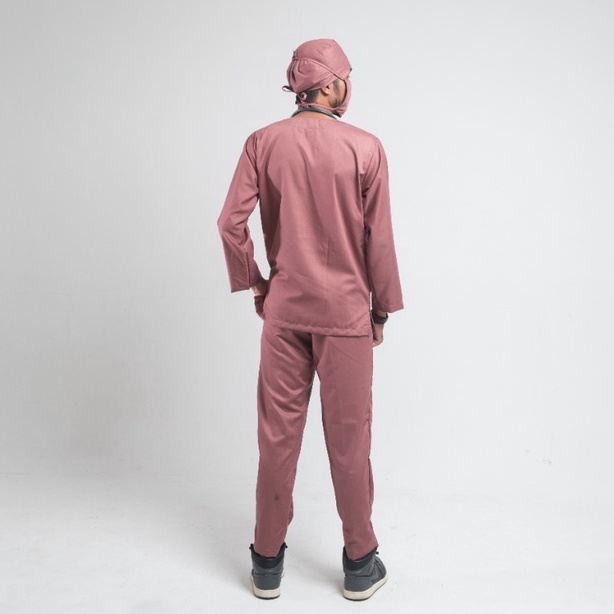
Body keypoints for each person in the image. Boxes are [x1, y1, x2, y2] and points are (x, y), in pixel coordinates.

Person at [217, 38, 403, 601]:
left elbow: (229, 224)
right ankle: (360, 563)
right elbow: (379, 240)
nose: (350, 85)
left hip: (285, 313)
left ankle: (266, 563)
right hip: (345, 317)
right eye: (347, 75)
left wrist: (256, 282)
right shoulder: (365, 147)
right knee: (349, 441)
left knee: (277, 438)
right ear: (329, 84)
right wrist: (380, 309)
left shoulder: (262, 142)